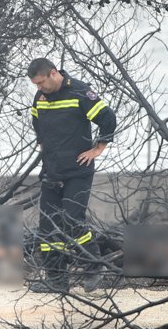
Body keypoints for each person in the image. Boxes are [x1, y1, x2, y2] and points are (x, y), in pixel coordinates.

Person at [27, 58, 116, 292]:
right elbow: (36, 121)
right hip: (51, 171)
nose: (39, 88)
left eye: (41, 82)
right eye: (35, 85)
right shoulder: (40, 97)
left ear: (54, 73)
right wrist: (43, 145)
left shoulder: (80, 92)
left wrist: (98, 148)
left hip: (78, 171)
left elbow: (107, 118)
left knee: (72, 220)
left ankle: (94, 266)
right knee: (48, 227)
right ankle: (57, 281)